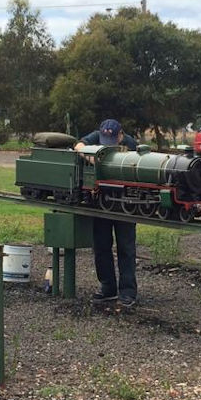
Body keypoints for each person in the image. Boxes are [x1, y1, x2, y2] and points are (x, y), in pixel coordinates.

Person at [75, 119, 139, 308]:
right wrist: (92, 158)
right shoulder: (96, 136)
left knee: (126, 247)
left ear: (121, 136)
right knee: (101, 246)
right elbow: (78, 145)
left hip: (124, 203)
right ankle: (107, 287)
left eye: (112, 140)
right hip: (101, 202)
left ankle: (128, 291)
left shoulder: (131, 144)